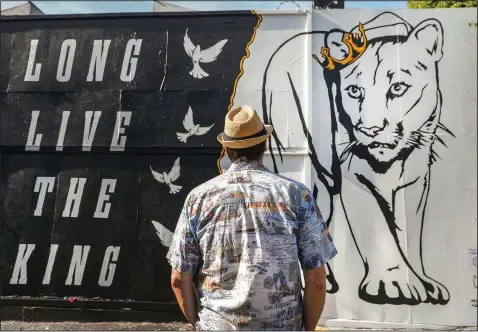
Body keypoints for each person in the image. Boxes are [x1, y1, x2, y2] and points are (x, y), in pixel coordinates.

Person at [167, 105, 338, 331]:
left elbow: (179, 279)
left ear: (227, 148)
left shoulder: (197, 199)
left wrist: (200, 326)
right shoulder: (296, 195)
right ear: (264, 145)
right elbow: (316, 280)